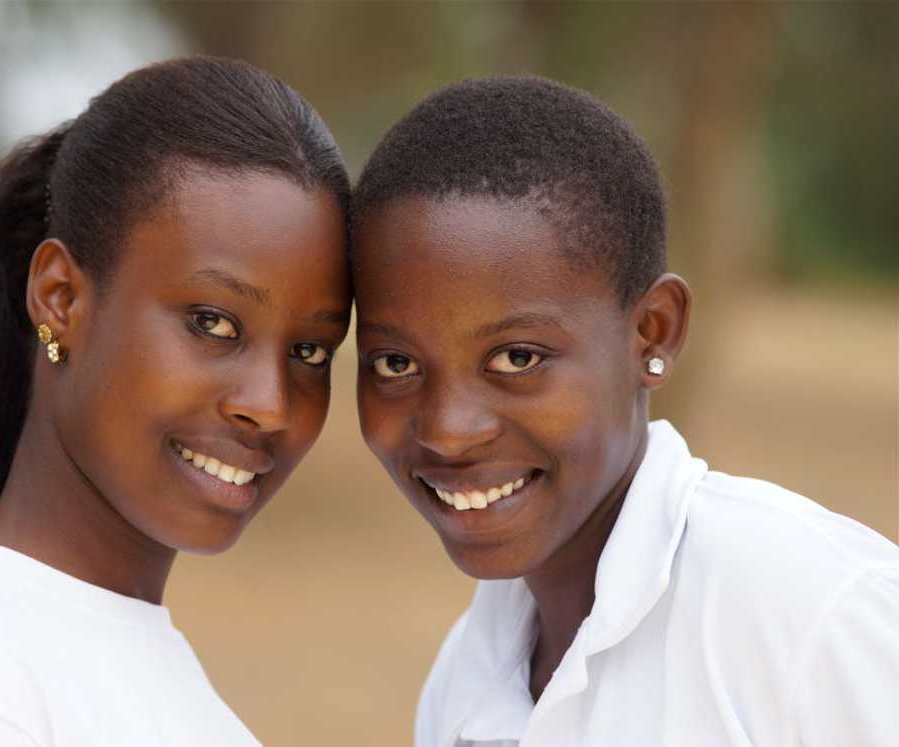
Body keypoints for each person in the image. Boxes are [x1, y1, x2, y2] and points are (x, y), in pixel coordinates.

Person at [0, 56, 351, 746]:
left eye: (310, 351)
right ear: (60, 298)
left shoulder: (96, 657)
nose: (270, 405)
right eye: (212, 323)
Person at [350, 76, 899, 746]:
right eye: (396, 363)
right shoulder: (470, 677)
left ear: (653, 332)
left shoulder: (813, 618)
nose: (447, 430)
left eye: (518, 357)